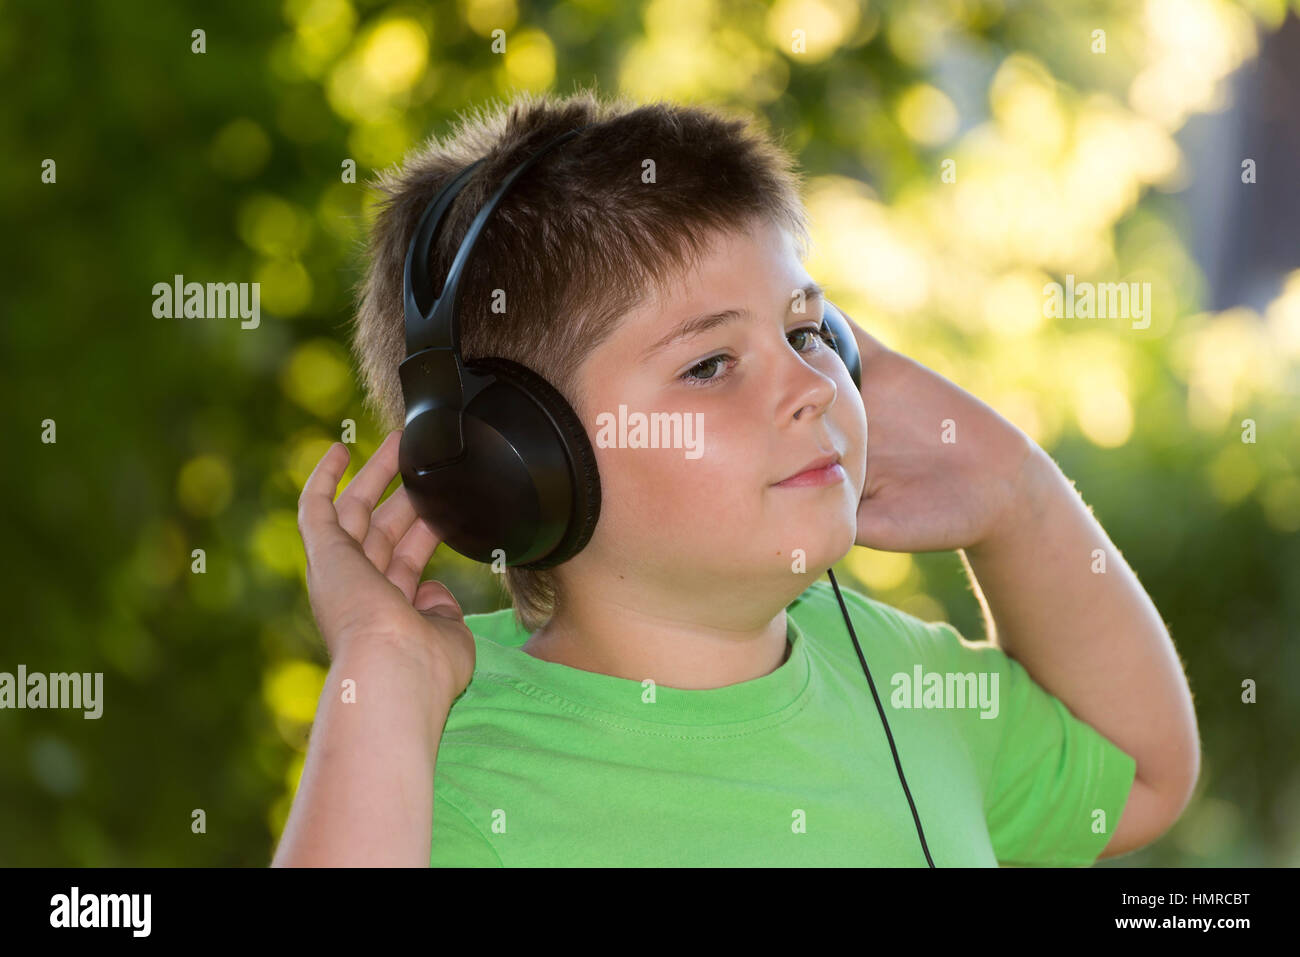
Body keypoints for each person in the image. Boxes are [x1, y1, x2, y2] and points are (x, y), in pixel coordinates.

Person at [270, 88, 1199, 867]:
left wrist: (1015, 492)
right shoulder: (443, 780)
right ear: (516, 461)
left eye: (807, 333)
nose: (810, 384)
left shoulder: (886, 670)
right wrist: (383, 670)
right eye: (711, 363)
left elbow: (1143, 772)